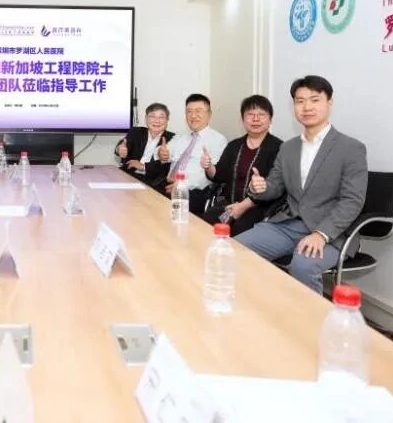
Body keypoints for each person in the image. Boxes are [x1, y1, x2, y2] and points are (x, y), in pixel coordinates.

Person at [236, 76, 368, 294]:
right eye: (300, 101)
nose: (307, 107)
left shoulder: (351, 148)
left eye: (314, 100)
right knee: (233, 248)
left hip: (330, 232)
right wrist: (261, 187)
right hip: (288, 225)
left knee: (303, 266)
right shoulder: (288, 148)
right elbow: (275, 186)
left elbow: (352, 200)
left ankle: (312, 316)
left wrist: (321, 234)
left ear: (329, 103)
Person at [200, 95, 283, 236]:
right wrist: (208, 166)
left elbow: (278, 187)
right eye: (250, 114)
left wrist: (243, 206)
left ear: (270, 119)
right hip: (230, 203)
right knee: (205, 224)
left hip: (259, 208)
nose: (255, 119)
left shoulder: (279, 148)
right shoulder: (234, 145)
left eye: (261, 115)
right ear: (242, 119)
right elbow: (219, 175)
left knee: (239, 231)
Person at [157, 93, 228, 213]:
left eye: (198, 111)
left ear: (209, 114)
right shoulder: (180, 138)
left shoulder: (218, 140)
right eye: (189, 111)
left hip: (194, 191)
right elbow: (163, 152)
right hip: (168, 183)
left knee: (163, 211)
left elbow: (212, 175)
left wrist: (183, 185)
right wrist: (160, 152)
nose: (193, 115)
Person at [114, 102, 175, 188]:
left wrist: (144, 167)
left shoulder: (173, 139)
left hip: (154, 183)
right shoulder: (136, 132)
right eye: (152, 116)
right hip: (128, 177)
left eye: (161, 117)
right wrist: (119, 149)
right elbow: (123, 145)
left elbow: (167, 168)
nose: (157, 121)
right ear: (146, 118)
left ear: (167, 120)